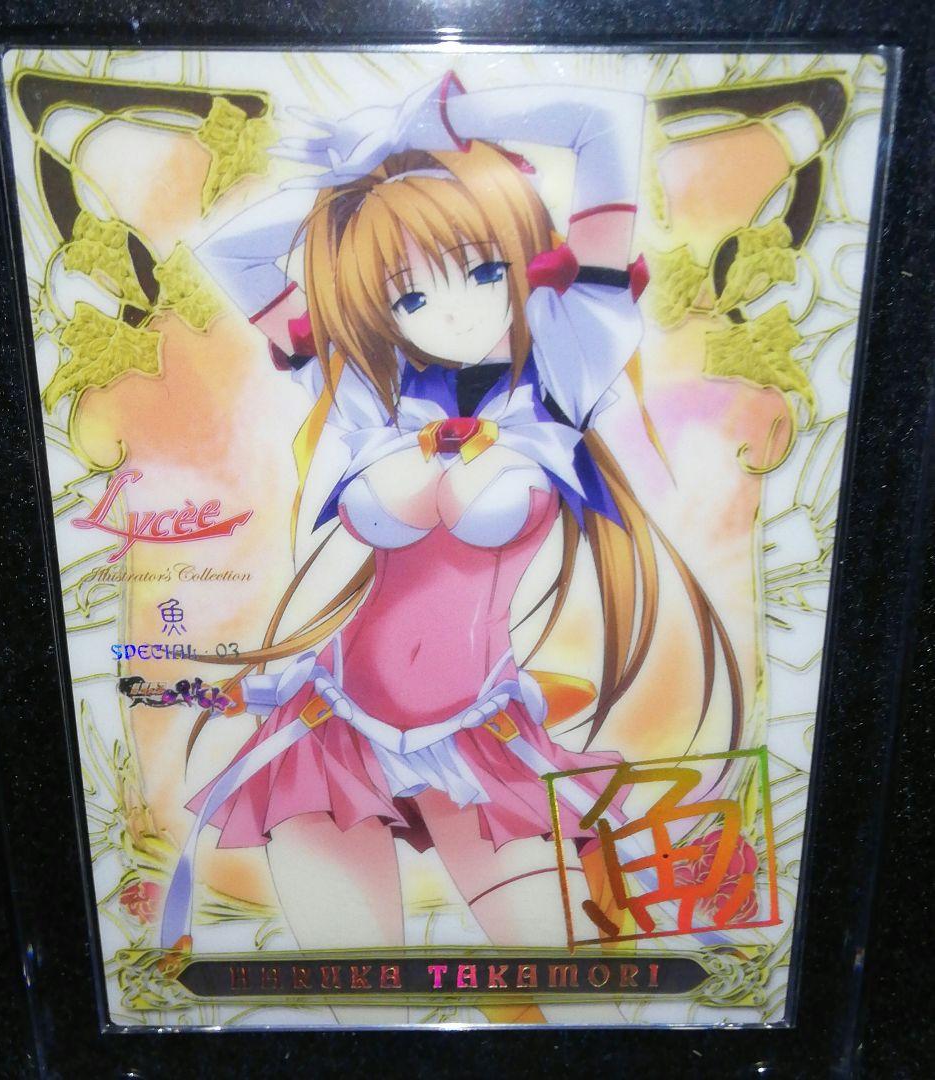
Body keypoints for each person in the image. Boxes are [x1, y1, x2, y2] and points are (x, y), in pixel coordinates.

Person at [159, 72, 742, 976]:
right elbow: (234, 252)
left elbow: (601, 119)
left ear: (519, 257)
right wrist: (365, 181)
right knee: (350, 993)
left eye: (481, 269)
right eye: (409, 297)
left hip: (478, 737)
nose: (456, 311)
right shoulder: (366, 389)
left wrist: (434, 125)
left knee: (559, 980)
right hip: (334, 728)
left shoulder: (566, 365)